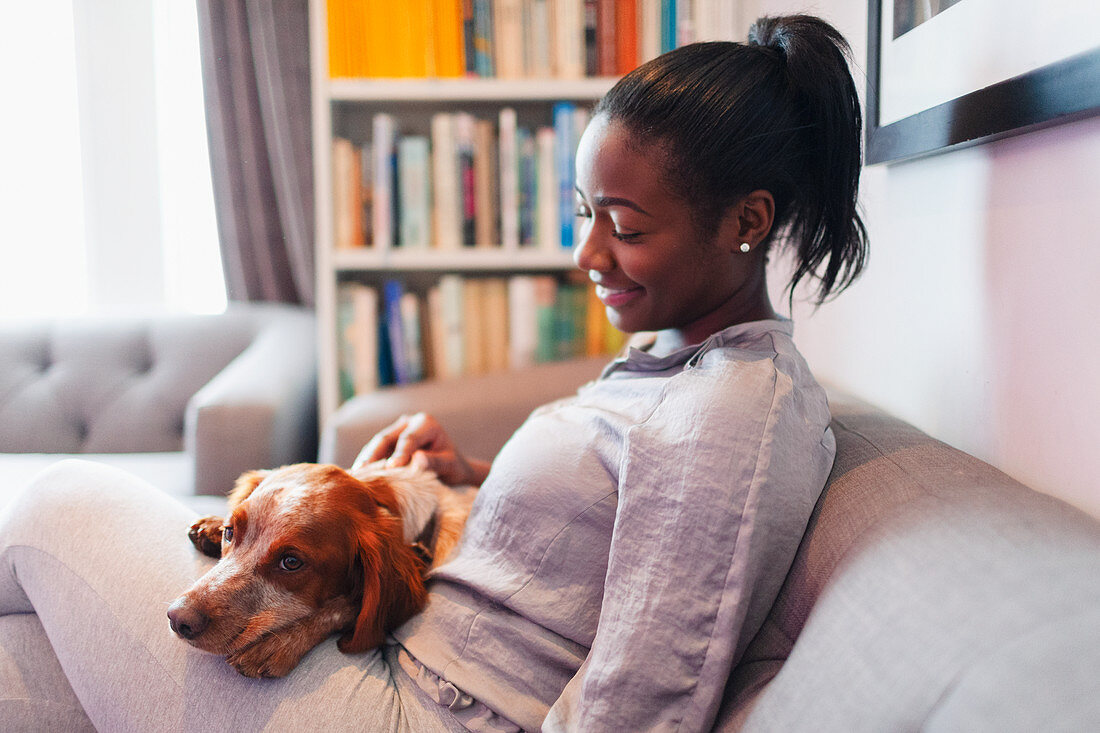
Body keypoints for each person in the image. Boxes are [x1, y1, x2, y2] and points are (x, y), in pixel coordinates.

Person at [0, 14, 867, 733]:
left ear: (746, 221)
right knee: (25, 663)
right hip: (402, 666)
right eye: (584, 214)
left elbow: (646, 700)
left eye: (627, 227)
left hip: (426, 712)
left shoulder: (731, 415)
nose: (587, 252)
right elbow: (620, 519)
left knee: (53, 501)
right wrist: (474, 477)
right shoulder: (679, 365)